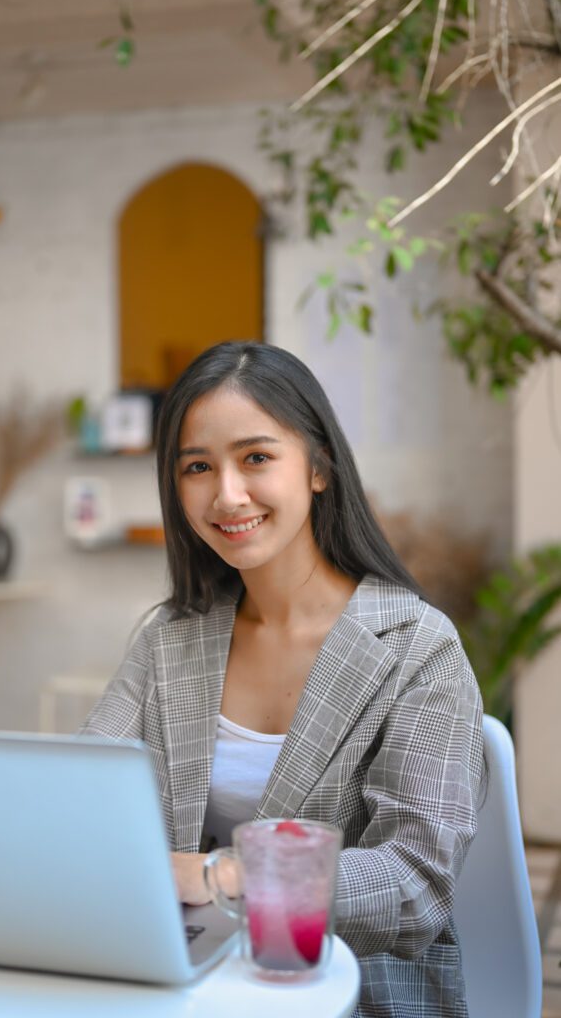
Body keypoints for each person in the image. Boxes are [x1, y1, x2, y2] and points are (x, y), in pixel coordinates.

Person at [82, 341, 483, 1018]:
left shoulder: (418, 647)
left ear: (318, 466)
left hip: (353, 992)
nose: (226, 493)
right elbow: (85, 799)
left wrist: (222, 878)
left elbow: (415, 882)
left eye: (256, 458)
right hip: (191, 980)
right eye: (197, 467)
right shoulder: (168, 639)